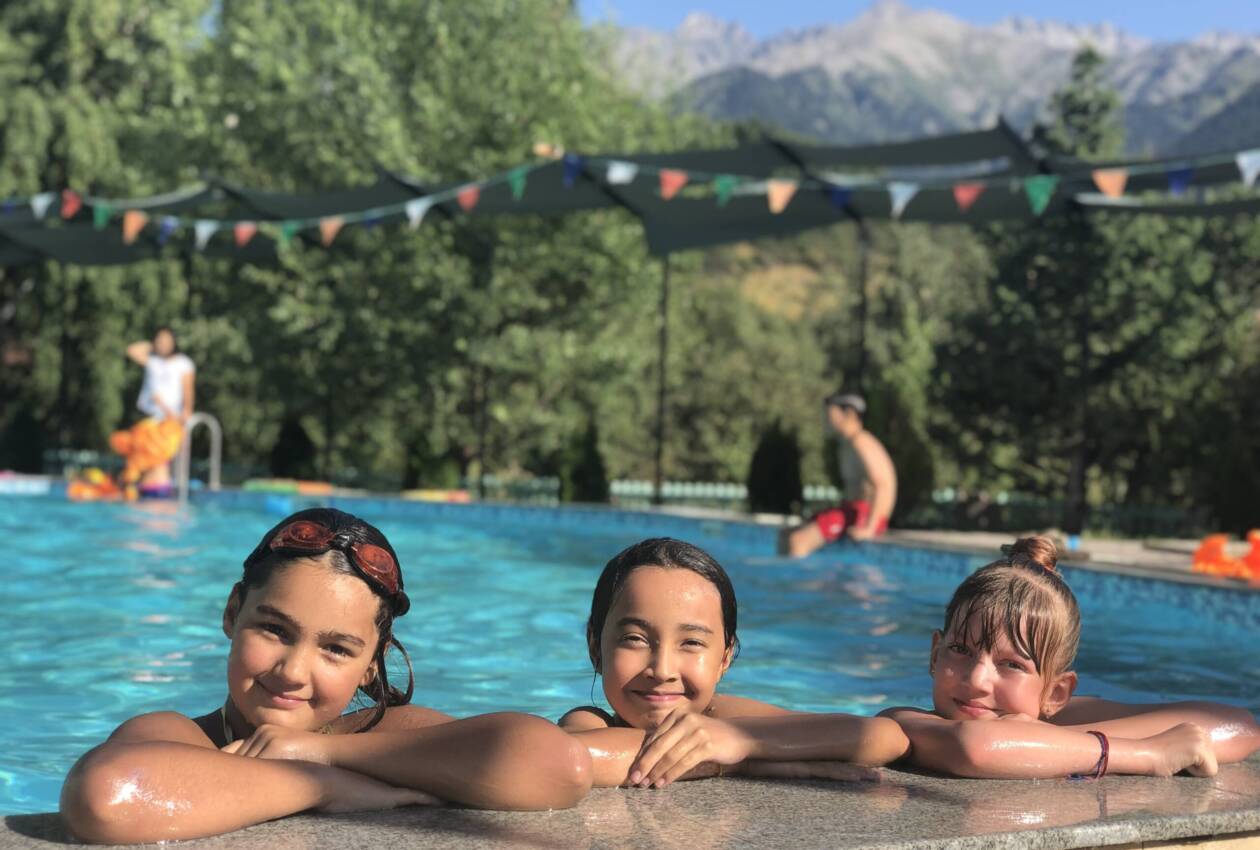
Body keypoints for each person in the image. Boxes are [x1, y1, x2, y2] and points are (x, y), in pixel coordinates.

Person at [60, 508, 592, 843]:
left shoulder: (382, 736)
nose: (293, 671)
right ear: (232, 613)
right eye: (274, 629)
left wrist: (322, 752)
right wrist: (318, 785)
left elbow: (558, 766)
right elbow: (107, 795)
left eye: (336, 649)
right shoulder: (179, 737)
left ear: (372, 665)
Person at [881, 536, 1260, 779]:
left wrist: (1044, 740)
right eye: (961, 650)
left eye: (1012, 664)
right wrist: (1146, 753)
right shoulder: (902, 722)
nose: (977, 680)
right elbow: (977, 746)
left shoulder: (1052, 714)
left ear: (1056, 693)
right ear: (935, 654)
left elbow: (1239, 727)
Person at [559, 537, 909, 788]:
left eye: (691, 642)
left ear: (725, 658)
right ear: (595, 646)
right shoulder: (591, 722)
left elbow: (885, 737)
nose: (662, 670)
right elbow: (566, 759)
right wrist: (738, 762)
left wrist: (740, 739)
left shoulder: (720, 716)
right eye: (635, 639)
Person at [784, 392, 897, 558]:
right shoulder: (847, 445)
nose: (825, 420)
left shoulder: (860, 441)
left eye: (829, 414)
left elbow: (882, 484)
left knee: (798, 541)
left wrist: (870, 528)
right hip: (851, 510)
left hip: (863, 515)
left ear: (848, 414)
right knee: (787, 534)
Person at [113, 328, 196, 498]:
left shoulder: (183, 363)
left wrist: (186, 412)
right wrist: (154, 345)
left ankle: (157, 494)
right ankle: (133, 489)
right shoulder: (153, 361)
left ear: (174, 342)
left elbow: (188, 389)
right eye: (159, 340)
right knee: (139, 460)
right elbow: (131, 350)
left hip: (170, 420)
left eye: (167, 340)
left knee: (160, 461)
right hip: (147, 417)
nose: (163, 344)